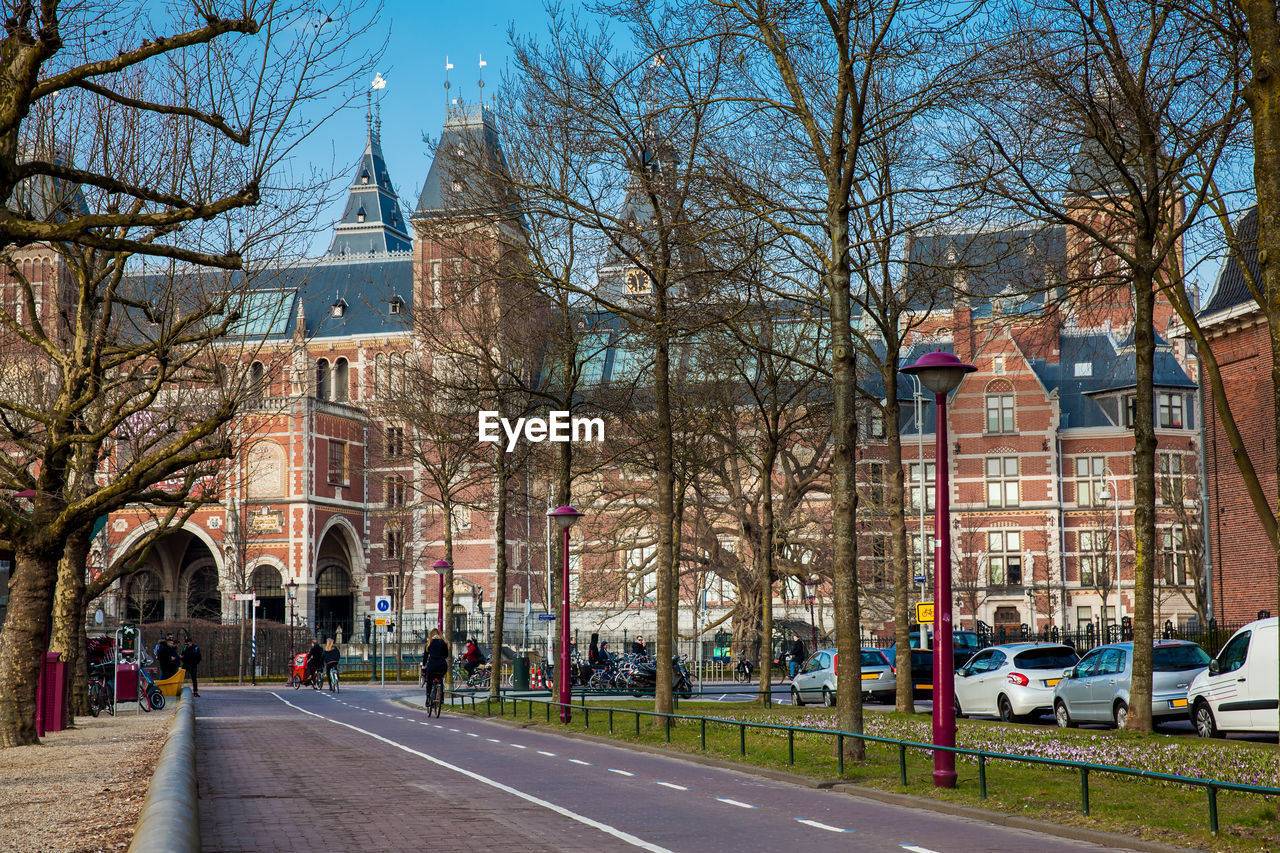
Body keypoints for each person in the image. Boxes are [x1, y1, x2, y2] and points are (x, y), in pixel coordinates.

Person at [421, 629, 449, 696]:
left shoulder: (429, 643)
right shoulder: (444, 643)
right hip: (442, 666)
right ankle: (441, 699)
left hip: (432, 666)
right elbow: (446, 655)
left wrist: (423, 664)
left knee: (429, 681)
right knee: (440, 679)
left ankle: (428, 697)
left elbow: (425, 657)